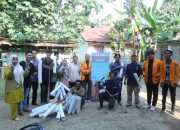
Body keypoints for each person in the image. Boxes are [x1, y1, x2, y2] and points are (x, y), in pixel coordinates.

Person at [4, 55, 27, 121]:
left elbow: (23, 75)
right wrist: (12, 70)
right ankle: (14, 116)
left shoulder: (20, 67)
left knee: (17, 101)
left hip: (19, 87)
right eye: (13, 59)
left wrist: (26, 70)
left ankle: (16, 114)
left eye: (16, 59)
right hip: (12, 88)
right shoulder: (7, 67)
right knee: (13, 102)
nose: (15, 60)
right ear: (11, 59)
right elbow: (9, 77)